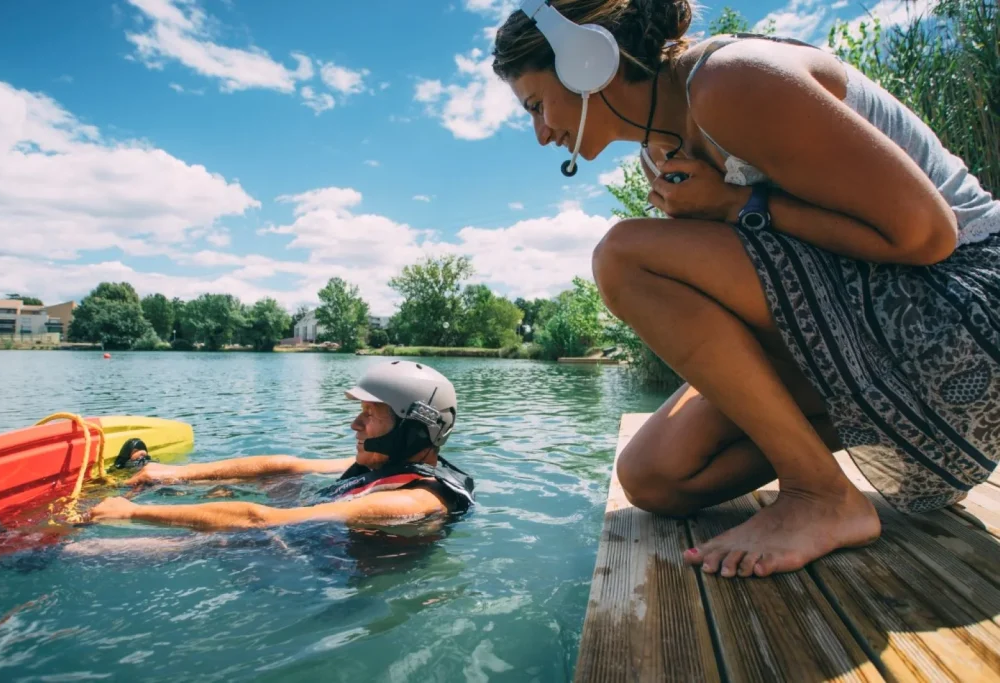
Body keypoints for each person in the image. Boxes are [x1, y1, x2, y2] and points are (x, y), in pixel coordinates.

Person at [492, 0, 1000, 578]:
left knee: (624, 256)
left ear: (586, 60)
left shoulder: (732, 82)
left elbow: (929, 235)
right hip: (887, 331)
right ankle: (882, 439)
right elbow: (752, 295)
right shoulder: (660, 154)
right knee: (656, 476)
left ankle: (820, 494)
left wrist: (739, 205)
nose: (539, 133)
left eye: (536, 105)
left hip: (968, 310)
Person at [88, 360, 475, 531]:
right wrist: (175, 473)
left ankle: (61, 550)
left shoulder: (413, 501)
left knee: (228, 536)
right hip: (311, 541)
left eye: (370, 415)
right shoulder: (388, 465)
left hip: (316, 582)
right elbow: (287, 465)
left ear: (412, 431)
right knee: (275, 478)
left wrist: (133, 514)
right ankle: (154, 473)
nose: (354, 424)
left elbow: (261, 520)